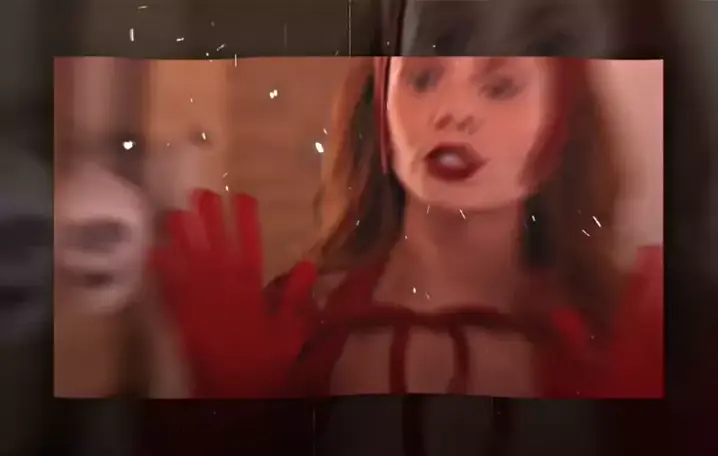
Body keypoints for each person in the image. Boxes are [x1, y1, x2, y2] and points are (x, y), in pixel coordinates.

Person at [152, 55, 663, 400]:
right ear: (380, 109)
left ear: (561, 121)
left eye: (500, 86)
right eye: (422, 79)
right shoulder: (292, 324)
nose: (453, 112)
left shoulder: (616, 337)